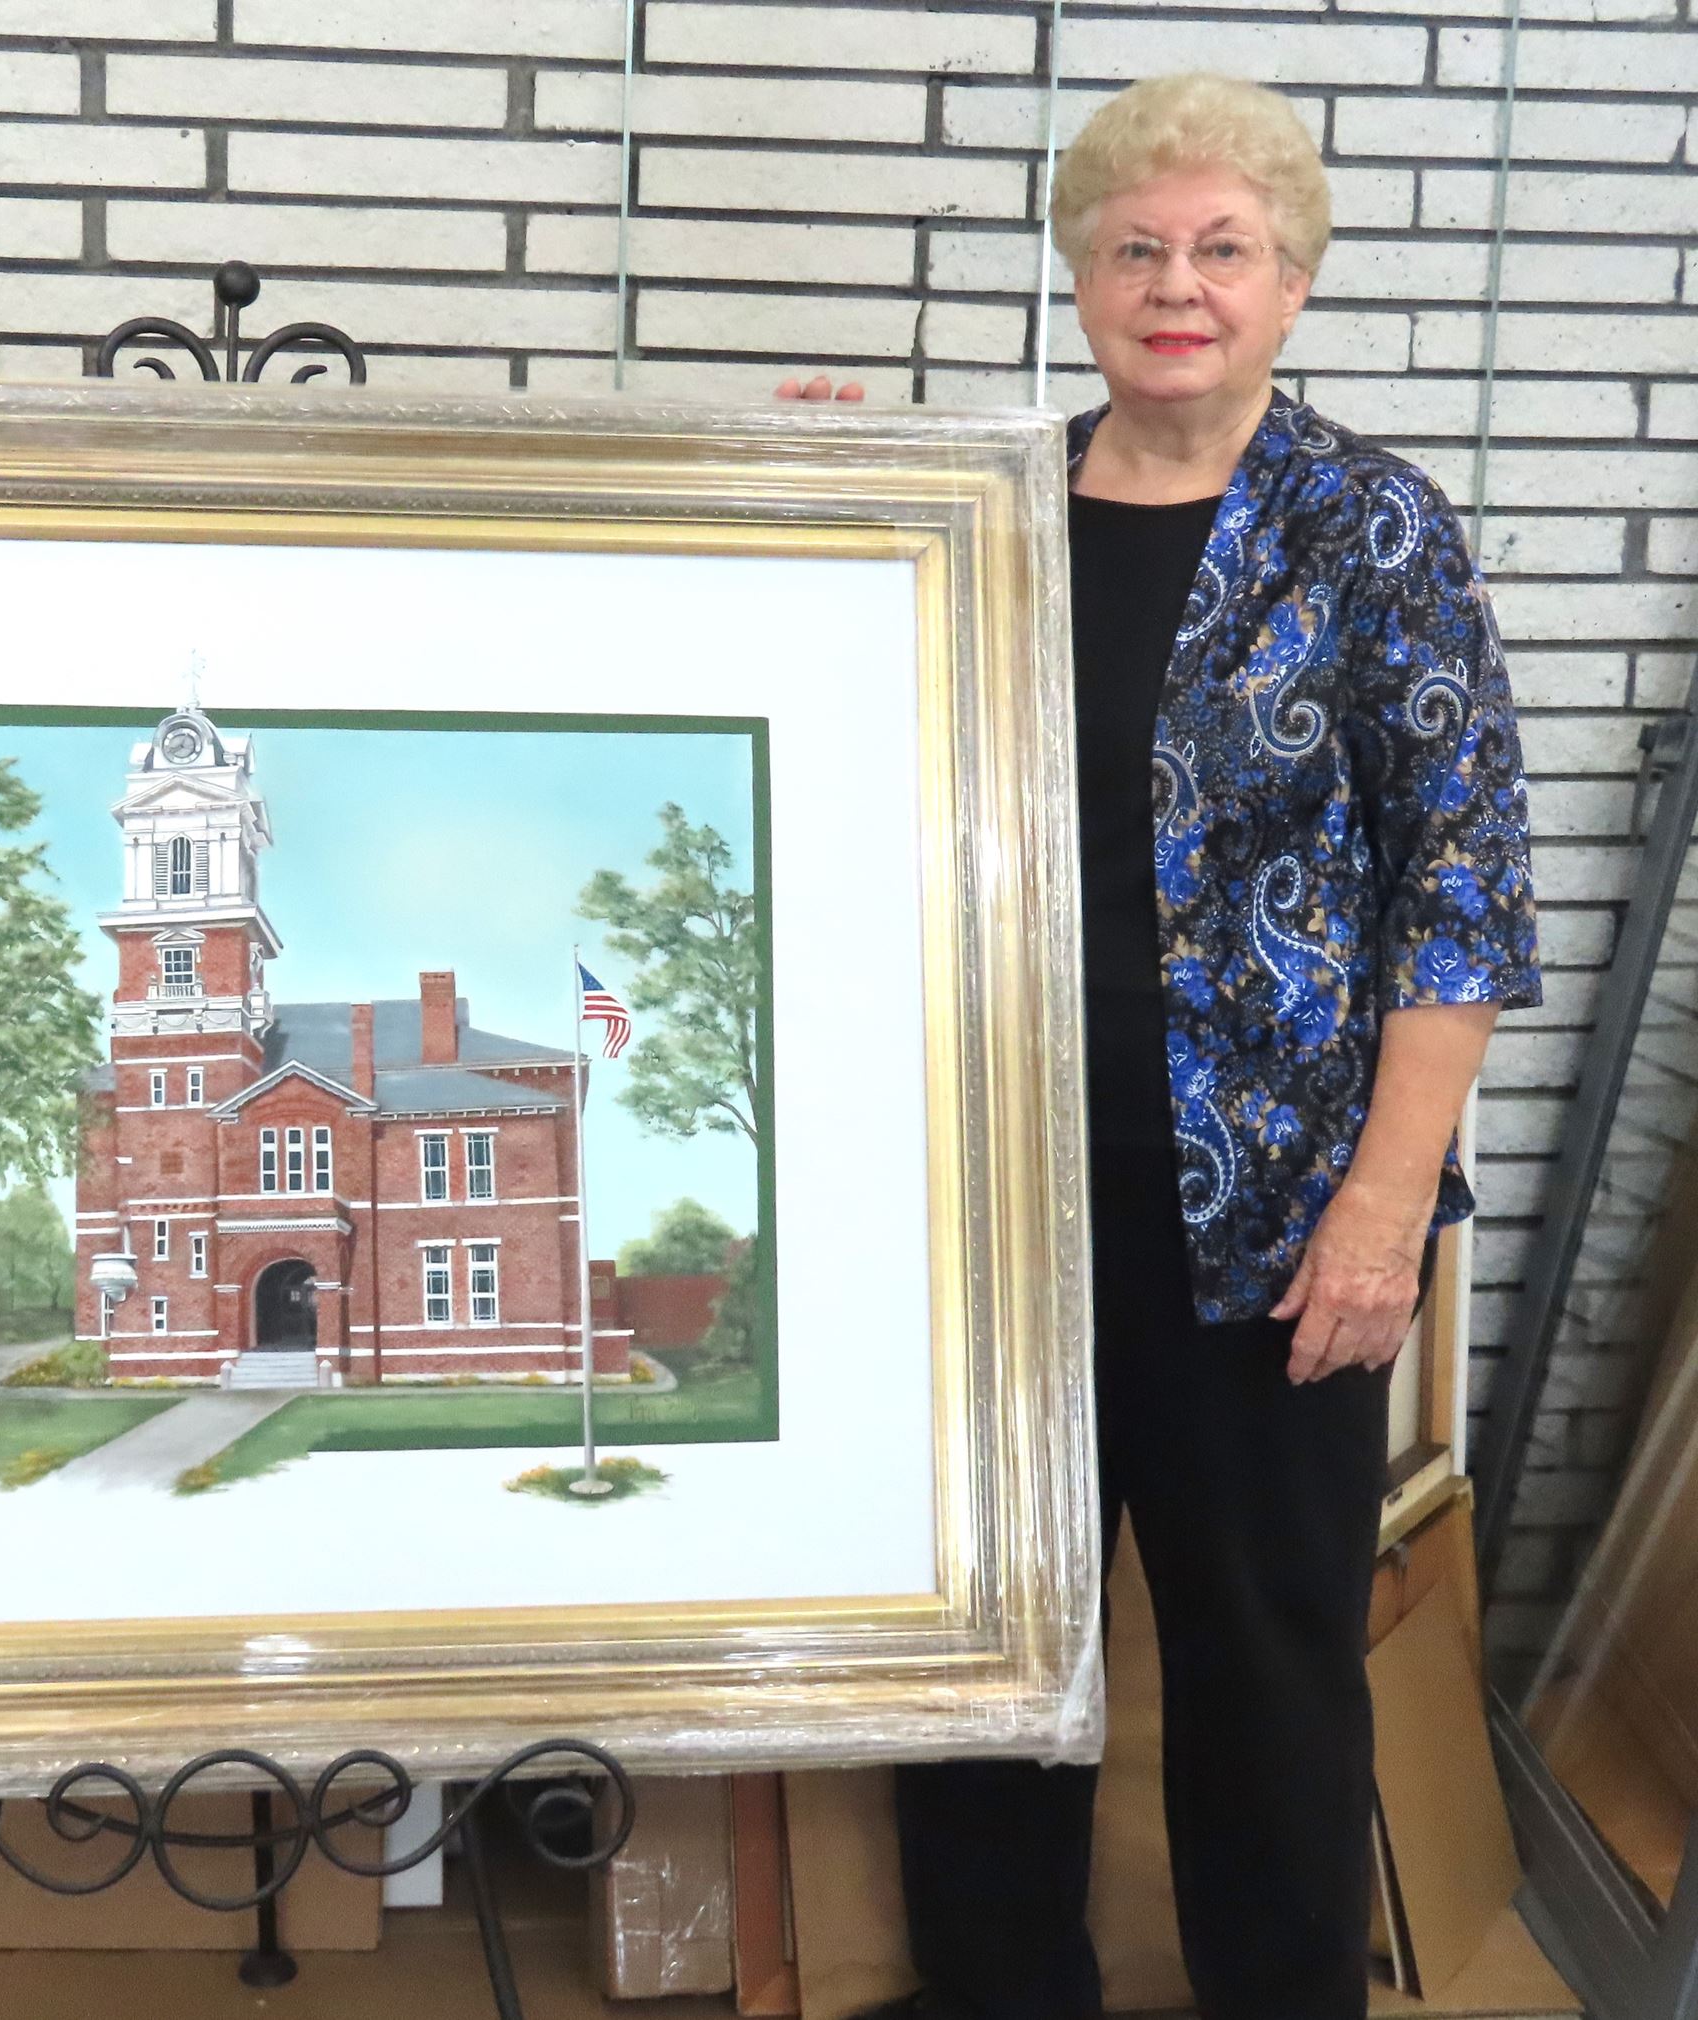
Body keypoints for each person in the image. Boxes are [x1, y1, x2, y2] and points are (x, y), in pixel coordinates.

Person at [785, 72, 1541, 2020]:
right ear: (1081, 276)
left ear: (1289, 283)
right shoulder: (988, 514)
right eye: (1135, 247)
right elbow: (830, 741)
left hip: (1281, 1222)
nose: (1175, 284)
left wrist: (1385, 1206)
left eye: (1222, 248)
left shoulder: (1369, 530)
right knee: (988, 1666)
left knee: (1263, 1662)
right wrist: (784, 511)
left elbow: (1458, 890)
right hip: (993, 1206)